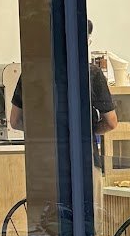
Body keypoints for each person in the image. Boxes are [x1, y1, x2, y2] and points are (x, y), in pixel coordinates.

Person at [10, 19, 118, 163]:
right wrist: (84, 132)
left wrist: (44, 134)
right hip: (83, 158)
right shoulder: (91, 73)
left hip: (41, 162)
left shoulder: (30, 72)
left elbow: (15, 121)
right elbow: (111, 122)